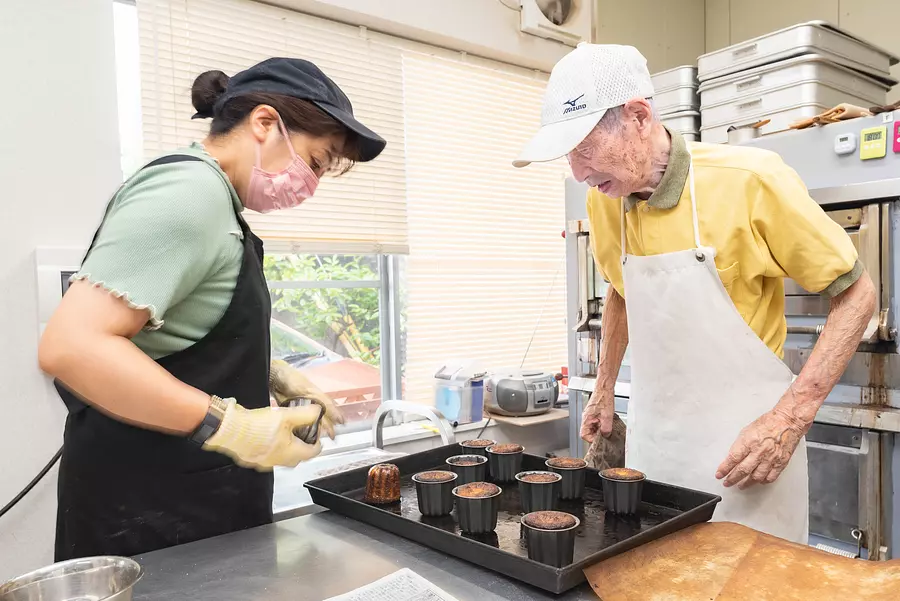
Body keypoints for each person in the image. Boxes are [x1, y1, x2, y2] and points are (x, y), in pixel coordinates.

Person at [514, 44, 876, 543]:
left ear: (638, 117)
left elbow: (858, 295)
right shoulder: (606, 198)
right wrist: (603, 386)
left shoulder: (751, 181)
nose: (578, 172)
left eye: (584, 147)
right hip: (657, 450)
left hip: (747, 457)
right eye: (569, 155)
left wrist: (790, 420)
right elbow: (621, 291)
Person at [39, 57, 386, 560]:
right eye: (314, 161)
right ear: (265, 124)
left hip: (190, 501)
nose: (310, 183)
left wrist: (264, 370)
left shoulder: (219, 202)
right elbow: (71, 348)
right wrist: (231, 426)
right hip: (150, 514)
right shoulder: (191, 193)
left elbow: (168, 337)